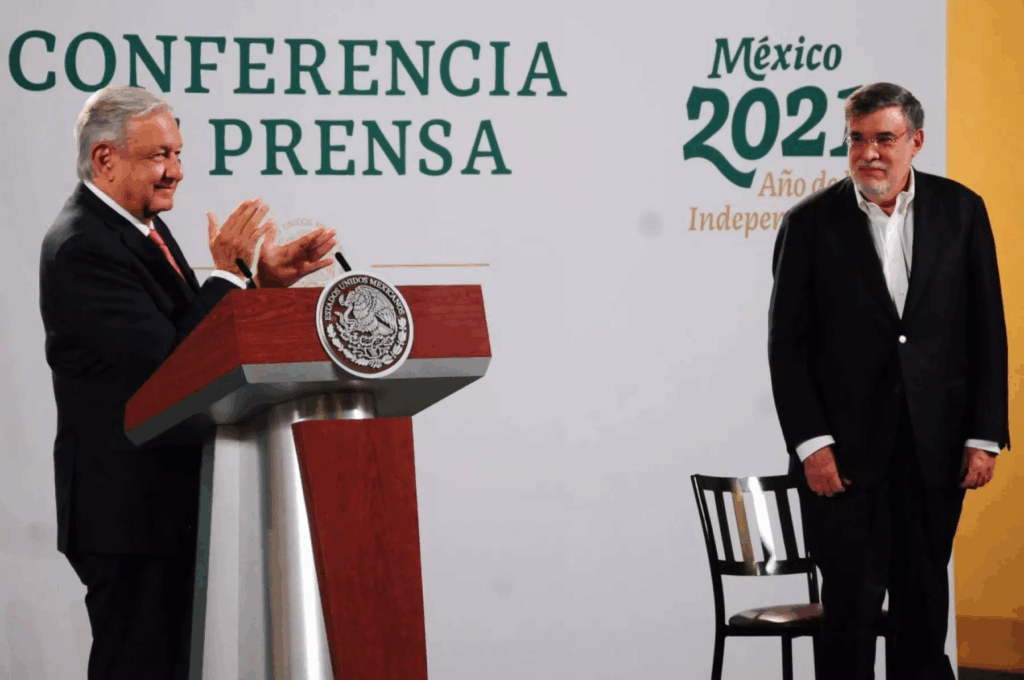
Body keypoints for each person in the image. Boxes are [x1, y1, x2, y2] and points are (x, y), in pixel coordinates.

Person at [38, 85, 338, 679]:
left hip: (166, 508)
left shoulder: (137, 227)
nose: (175, 171)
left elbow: (183, 337)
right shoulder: (83, 246)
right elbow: (170, 375)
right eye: (159, 156)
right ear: (105, 159)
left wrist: (259, 284)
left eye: (178, 154)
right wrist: (227, 274)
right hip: (130, 516)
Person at [767, 82, 1009, 680]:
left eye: (884, 138)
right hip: (844, 462)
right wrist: (812, 446)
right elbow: (786, 348)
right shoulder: (809, 224)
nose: (869, 153)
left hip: (936, 454)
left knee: (924, 607)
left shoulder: (963, 211)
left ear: (916, 142)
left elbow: (987, 329)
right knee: (847, 611)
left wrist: (985, 435)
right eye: (857, 139)